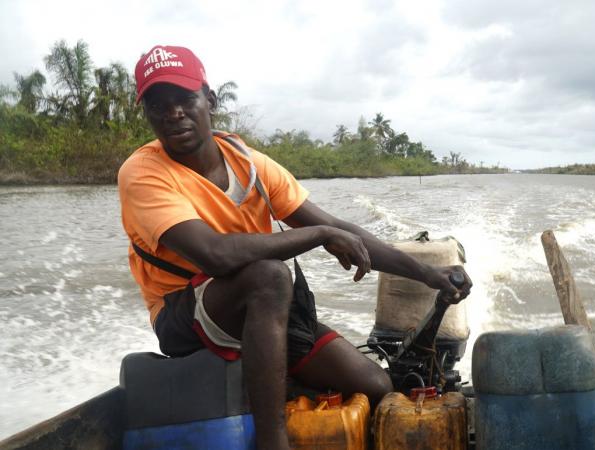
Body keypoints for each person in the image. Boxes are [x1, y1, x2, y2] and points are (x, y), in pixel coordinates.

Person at [118, 44, 472, 450]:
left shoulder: (248, 163)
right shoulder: (143, 173)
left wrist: (429, 274)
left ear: (209, 100)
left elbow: (339, 227)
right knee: (269, 275)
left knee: (376, 385)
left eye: (184, 99)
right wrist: (319, 236)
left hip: (262, 307)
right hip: (185, 314)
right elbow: (214, 255)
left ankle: (280, 381)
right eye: (158, 105)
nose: (173, 113)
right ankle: (274, 442)